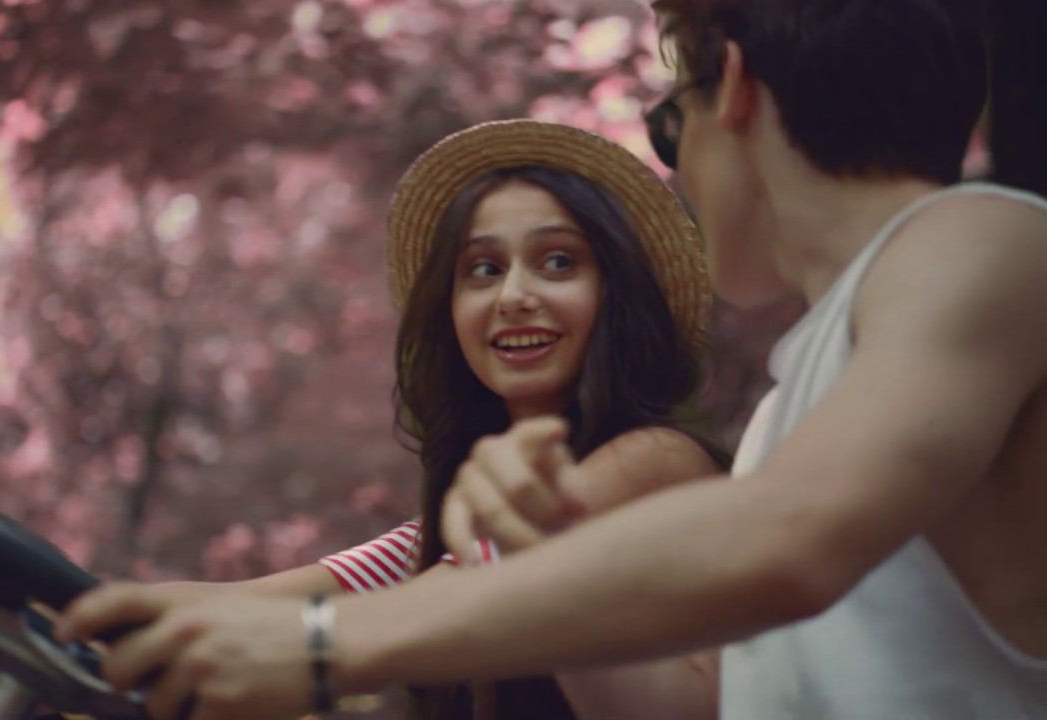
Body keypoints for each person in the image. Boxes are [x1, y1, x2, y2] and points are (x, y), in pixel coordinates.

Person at [54, 1, 1047, 719]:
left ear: (734, 90)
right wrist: (545, 554)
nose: (682, 170)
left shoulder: (980, 239)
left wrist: (323, 648)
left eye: (670, 124)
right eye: (479, 270)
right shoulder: (802, 410)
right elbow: (693, 703)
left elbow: (793, 536)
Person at [0, 120, 730, 718]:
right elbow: (268, 599)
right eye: (482, 269)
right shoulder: (448, 534)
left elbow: (430, 604)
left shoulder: (652, 461)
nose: (514, 294)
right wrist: (25, 626)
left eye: (558, 261)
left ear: (615, 296)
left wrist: (70, 648)